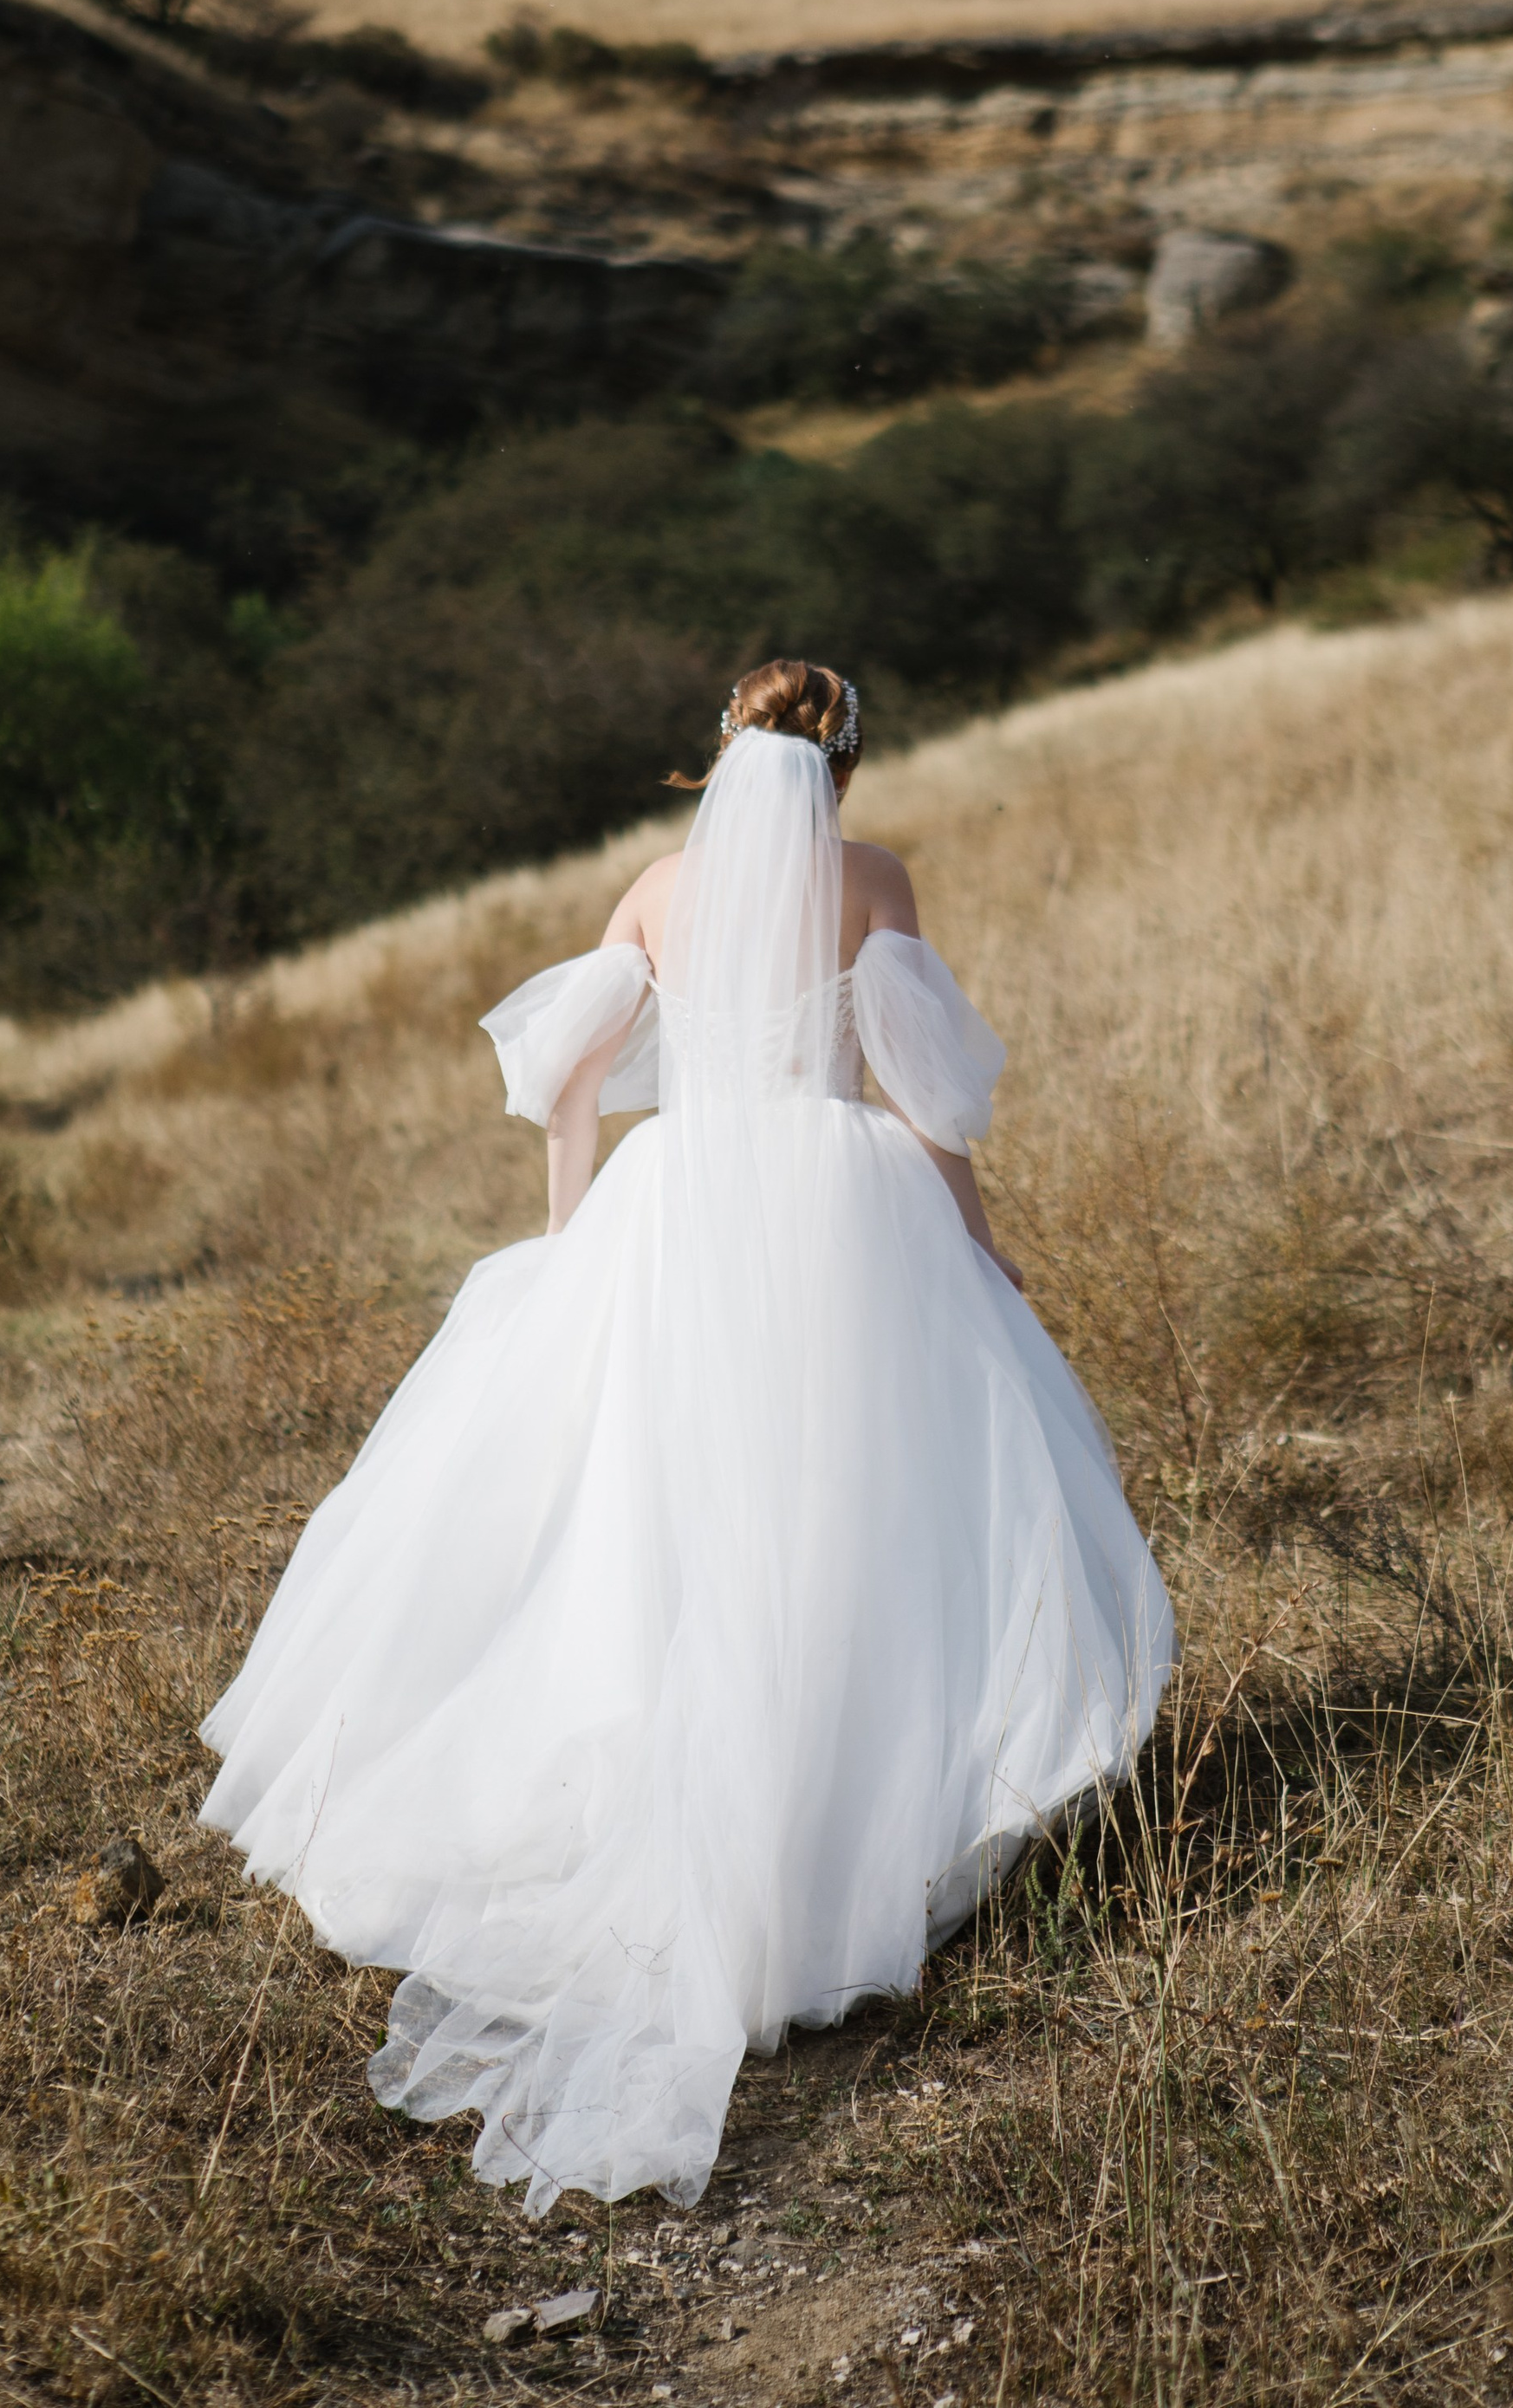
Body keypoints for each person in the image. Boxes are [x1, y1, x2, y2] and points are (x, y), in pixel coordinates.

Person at [199, 659, 1174, 2217]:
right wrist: (980, 1245)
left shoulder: (656, 890)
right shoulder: (874, 878)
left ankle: (692, 1840)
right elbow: (924, 1096)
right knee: (849, 1507)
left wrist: (569, 1239)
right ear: (844, 766)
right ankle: (835, 1851)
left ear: (720, 758)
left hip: (678, 1197)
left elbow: (573, 1080)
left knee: (652, 1511)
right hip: (844, 1206)